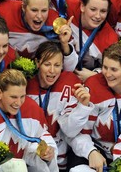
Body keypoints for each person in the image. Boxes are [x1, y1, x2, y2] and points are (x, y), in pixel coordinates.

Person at [66, 43, 121, 172]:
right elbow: (75, 132)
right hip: (98, 152)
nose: (107, 74)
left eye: (114, 69)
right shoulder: (93, 86)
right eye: (105, 67)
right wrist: (91, 152)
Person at [26, 41, 94, 170]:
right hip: (32, 161)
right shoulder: (25, 85)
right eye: (47, 64)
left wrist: (83, 107)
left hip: (61, 161)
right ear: (37, 63)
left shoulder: (69, 83)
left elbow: (71, 130)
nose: (52, 71)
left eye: (57, 65)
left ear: (63, 65)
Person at [0, 0, 78, 72]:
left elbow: (70, 68)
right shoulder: (4, 11)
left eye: (44, 11)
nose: (39, 16)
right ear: (24, 7)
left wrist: (65, 44)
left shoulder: (56, 23)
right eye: (34, 10)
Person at [65, 0, 118, 82]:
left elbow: (116, 71)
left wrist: (95, 75)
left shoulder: (111, 40)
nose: (98, 16)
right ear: (82, 6)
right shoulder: (69, 2)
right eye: (93, 9)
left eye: (103, 11)